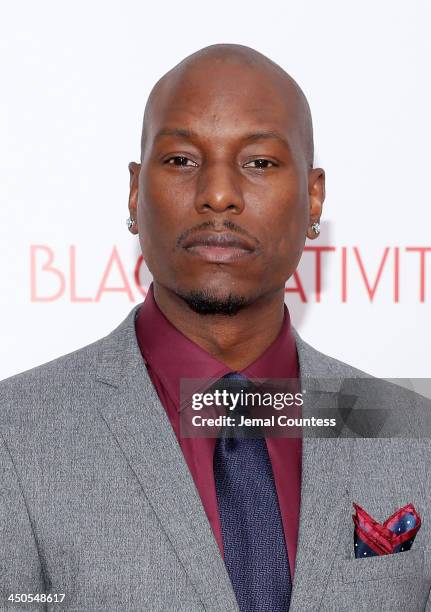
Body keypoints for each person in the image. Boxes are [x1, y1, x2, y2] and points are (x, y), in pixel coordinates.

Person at [0, 44, 430, 612]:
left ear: (313, 196)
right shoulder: (16, 433)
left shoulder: (410, 435)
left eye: (259, 162)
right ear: (135, 191)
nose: (218, 194)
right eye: (181, 160)